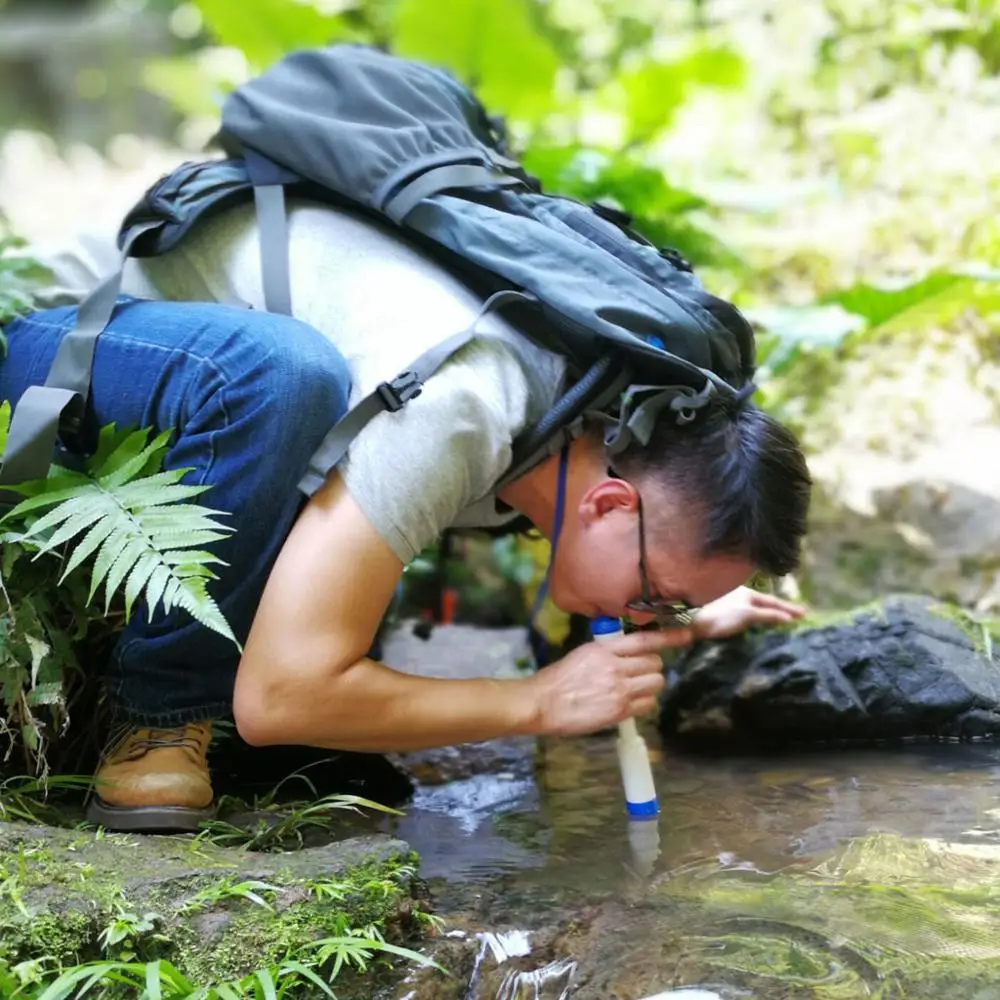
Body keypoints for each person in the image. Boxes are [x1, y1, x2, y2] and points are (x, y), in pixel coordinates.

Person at [2, 192, 811, 832]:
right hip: (68, 348)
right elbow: (278, 699)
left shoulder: (587, 418)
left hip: (171, 377)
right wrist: (535, 702)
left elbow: (617, 543)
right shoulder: (460, 406)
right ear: (607, 501)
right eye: (656, 595)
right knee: (286, 377)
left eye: (667, 608)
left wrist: (689, 592)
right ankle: (161, 714)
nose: (649, 616)